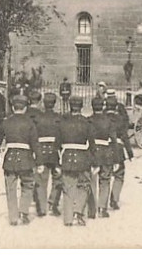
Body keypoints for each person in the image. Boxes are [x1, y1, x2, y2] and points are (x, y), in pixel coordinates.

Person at [0, 93, 41, 226]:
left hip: (10, 158)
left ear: (13, 107)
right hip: (26, 158)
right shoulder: (30, 123)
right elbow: (35, 144)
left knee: (11, 188)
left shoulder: (5, 122)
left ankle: (13, 217)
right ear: (25, 108)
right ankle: (24, 212)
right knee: (27, 186)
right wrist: (39, 162)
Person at [59, 95, 96, 227]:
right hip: (83, 158)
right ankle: (78, 211)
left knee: (68, 188)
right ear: (81, 107)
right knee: (84, 186)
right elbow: (92, 144)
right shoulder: (87, 123)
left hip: (67, 157)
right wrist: (95, 162)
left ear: (70, 106)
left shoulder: (63, 123)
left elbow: (57, 144)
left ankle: (68, 219)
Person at [32, 90, 62, 218]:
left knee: (41, 180)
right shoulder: (59, 118)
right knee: (57, 179)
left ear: (44, 103)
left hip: (41, 151)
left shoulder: (38, 118)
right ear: (54, 104)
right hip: (55, 151)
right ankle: (53, 204)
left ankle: (42, 207)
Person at [89, 95, 119, 217]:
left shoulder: (88, 120)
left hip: (93, 152)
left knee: (92, 180)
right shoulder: (108, 121)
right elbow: (114, 140)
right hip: (106, 153)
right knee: (105, 180)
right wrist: (116, 159)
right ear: (103, 107)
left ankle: (91, 209)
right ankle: (102, 208)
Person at [105, 90, 133, 211]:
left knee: (104, 176)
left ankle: (103, 201)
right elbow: (125, 136)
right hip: (118, 149)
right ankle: (114, 199)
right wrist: (130, 152)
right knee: (119, 175)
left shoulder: (102, 117)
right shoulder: (120, 119)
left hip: (105, 149)